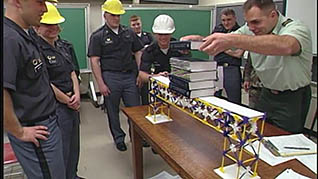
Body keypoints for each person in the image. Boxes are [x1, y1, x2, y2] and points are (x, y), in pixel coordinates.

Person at [182, 0, 312, 134]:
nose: (250, 28)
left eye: (255, 22)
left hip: (292, 98)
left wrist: (234, 40)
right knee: (258, 135)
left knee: (286, 142)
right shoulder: (251, 28)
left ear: (273, 15)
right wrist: (201, 40)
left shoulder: (296, 28)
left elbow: (287, 45)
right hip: (266, 94)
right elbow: (226, 40)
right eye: (248, 23)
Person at [3, 0, 66, 178]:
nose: (45, 9)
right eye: (39, 2)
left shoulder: (26, 33)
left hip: (48, 122)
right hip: (35, 130)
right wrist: (19, 131)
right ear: (16, 2)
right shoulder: (9, 39)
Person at [32, 2, 83, 179]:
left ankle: (72, 175)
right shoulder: (35, 49)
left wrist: (77, 95)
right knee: (62, 148)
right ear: (38, 26)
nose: (53, 28)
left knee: (74, 144)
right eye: (48, 25)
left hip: (72, 102)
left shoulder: (64, 45)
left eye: (55, 24)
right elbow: (45, 81)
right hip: (56, 107)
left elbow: (72, 72)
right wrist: (66, 100)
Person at [87, 0, 144, 152]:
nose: (116, 18)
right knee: (113, 111)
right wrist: (101, 83)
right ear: (105, 15)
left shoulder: (129, 32)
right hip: (110, 77)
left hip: (129, 76)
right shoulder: (97, 36)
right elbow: (94, 60)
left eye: (118, 15)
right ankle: (119, 138)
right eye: (113, 15)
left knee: (135, 110)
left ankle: (137, 137)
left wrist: (140, 73)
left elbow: (138, 51)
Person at [139, 14, 189, 84]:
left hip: (178, 84)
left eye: (166, 34)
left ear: (171, 33)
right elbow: (142, 74)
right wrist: (156, 77)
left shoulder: (180, 48)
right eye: (160, 34)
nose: (163, 37)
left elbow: (188, 70)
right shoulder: (149, 50)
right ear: (155, 34)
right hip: (156, 85)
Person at [213, 8, 244, 104]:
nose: (226, 23)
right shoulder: (217, 30)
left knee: (234, 100)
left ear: (235, 18)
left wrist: (221, 47)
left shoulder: (241, 32)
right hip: (217, 68)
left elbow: (238, 54)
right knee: (214, 98)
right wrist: (228, 48)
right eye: (223, 20)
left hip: (232, 69)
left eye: (229, 20)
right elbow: (212, 48)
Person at [130, 15, 154, 107]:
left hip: (145, 68)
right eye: (134, 25)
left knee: (145, 92)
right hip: (132, 68)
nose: (136, 26)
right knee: (134, 94)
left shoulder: (147, 36)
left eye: (138, 24)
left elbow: (152, 49)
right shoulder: (129, 37)